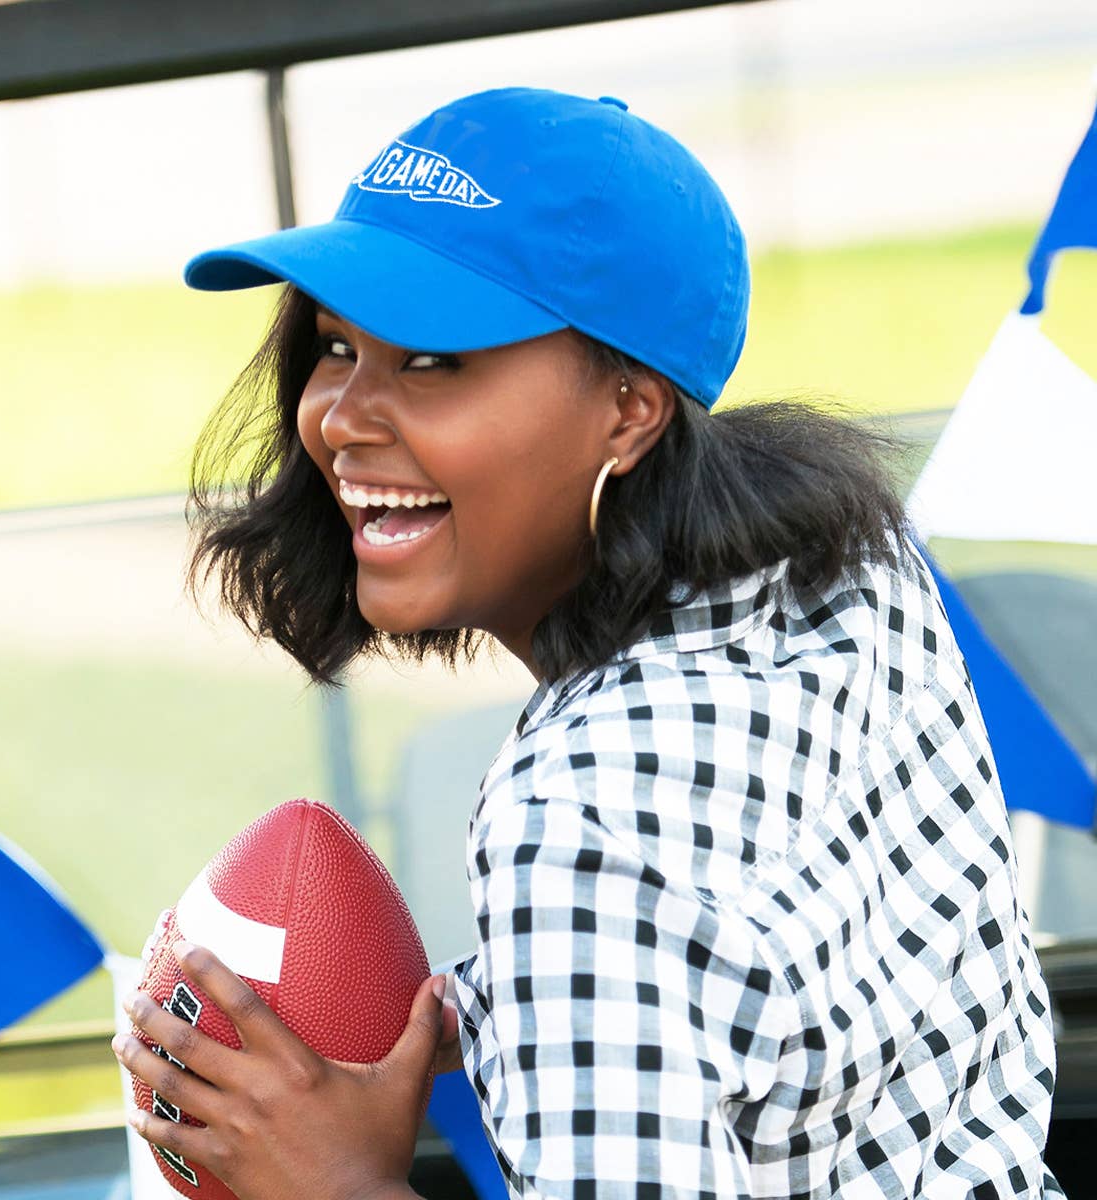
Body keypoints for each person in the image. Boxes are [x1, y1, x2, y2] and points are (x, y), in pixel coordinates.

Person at [111, 87, 1065, 1199]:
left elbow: (620, 873)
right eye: (334, 346)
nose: (340, 416)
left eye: (431, 358)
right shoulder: (853, 569)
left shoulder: (573, 819)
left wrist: (339, 1183)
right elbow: (764, 951)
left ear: (629, 409)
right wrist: (485, 1006)